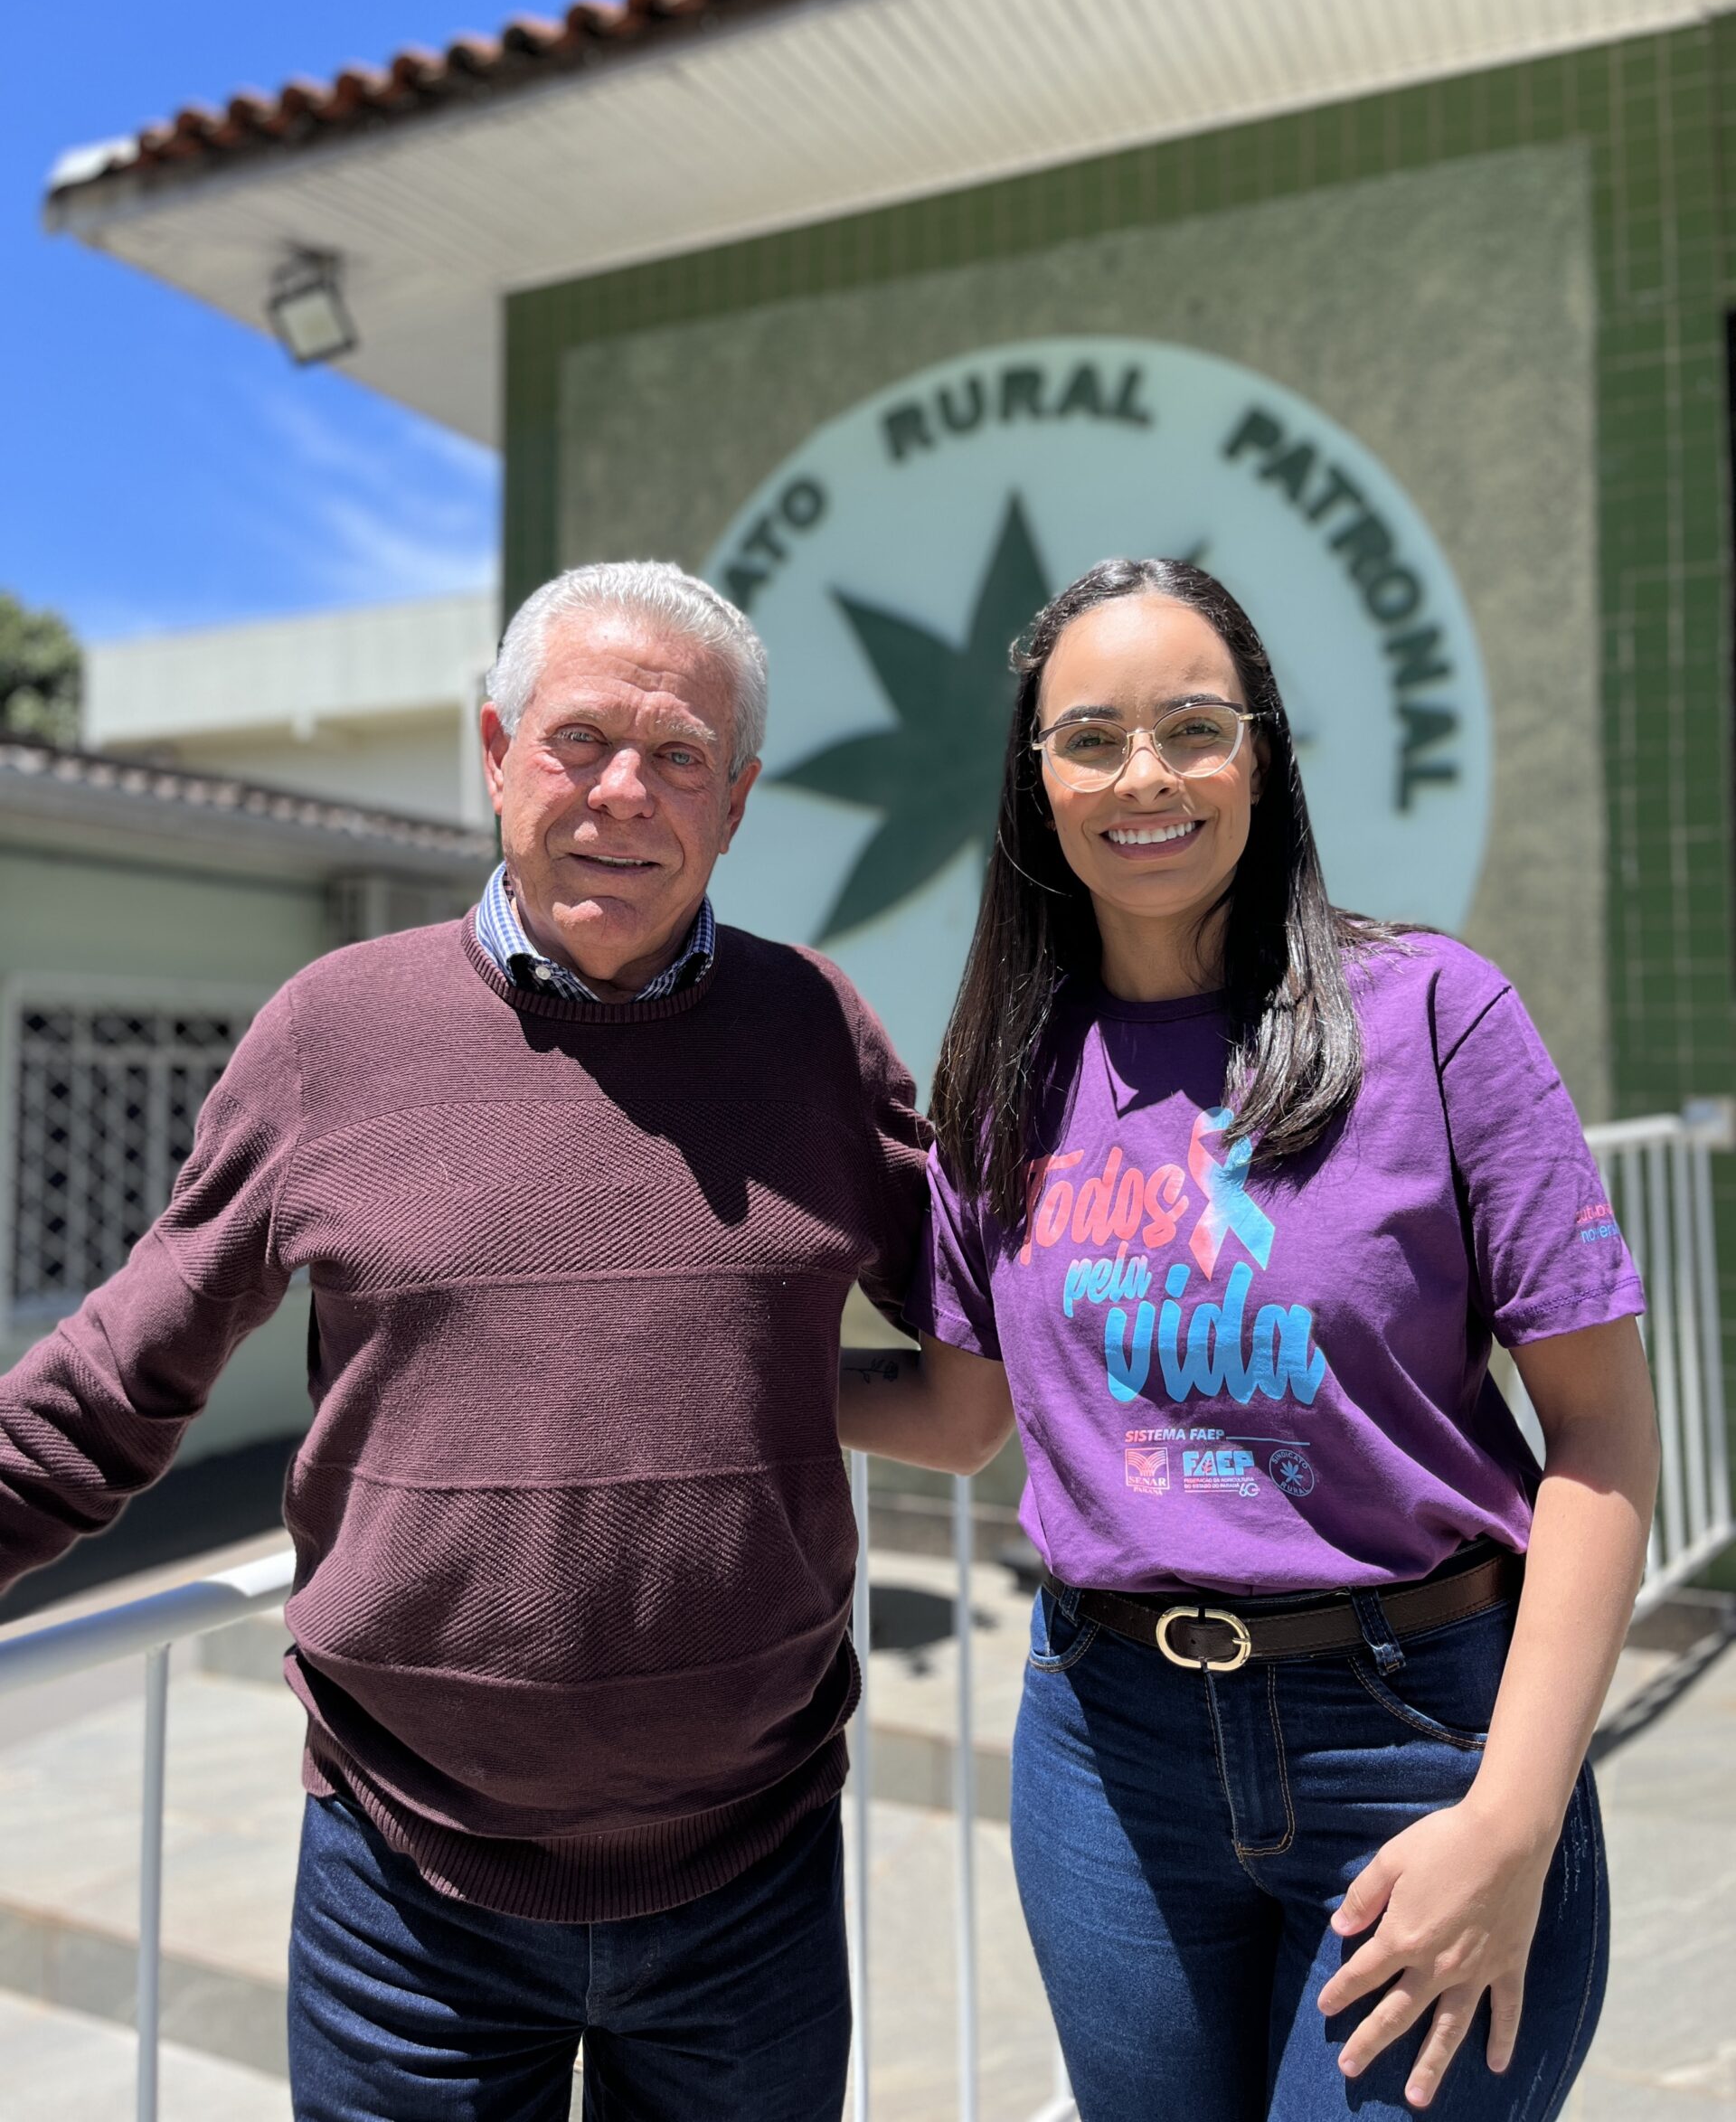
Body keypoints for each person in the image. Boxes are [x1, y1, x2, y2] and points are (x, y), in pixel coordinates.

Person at [0, 561, 928, 2122]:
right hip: (407, 1896)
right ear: (496, 754)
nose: (623, 793)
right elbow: (114, 1382)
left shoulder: (814, 1033)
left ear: (739, 800)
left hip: (750, 1880)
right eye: (577, 742)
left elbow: (996, 1301)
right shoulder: (331, 1034)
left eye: (681, 756)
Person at [839, 558, 1659, 2122]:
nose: (1143, 776)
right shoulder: (1005, 1077)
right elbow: (961, 1415)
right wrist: (697, 1390)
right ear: (1038, 783)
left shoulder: (1436, 1017)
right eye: (1090, 738)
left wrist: (1515, 1817)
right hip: (1108, 1752)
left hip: (1423, 1736)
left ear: (1261, 753)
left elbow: (1605, 1444)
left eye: (1191, 726)